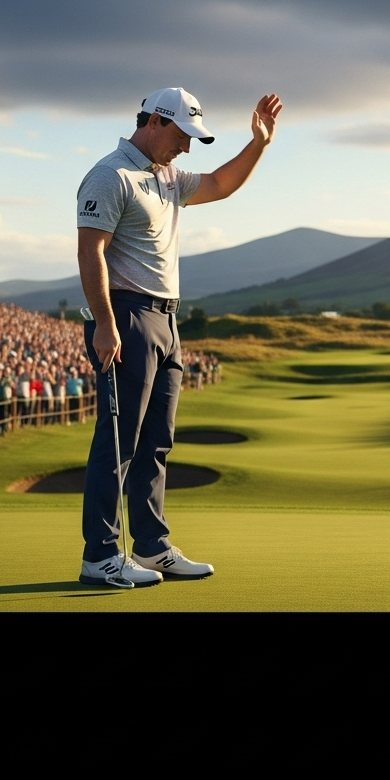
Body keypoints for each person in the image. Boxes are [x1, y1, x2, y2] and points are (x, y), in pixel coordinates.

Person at [76, 87, 282, 586]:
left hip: (166, 320)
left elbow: (219, 184)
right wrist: (104, 323)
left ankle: (149, 547)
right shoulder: (111, 175)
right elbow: (90, 254)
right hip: (126, 316)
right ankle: (100, 555)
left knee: (156, 442)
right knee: (119, 441)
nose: (186, 148)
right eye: (181, 136)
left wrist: (258, 144)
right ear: (153, 122)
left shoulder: (165, 176)